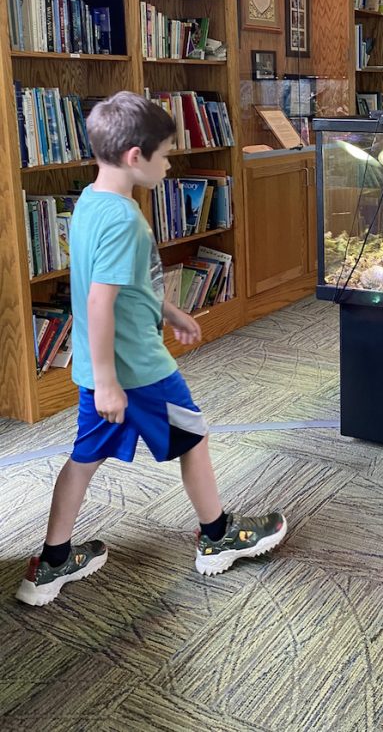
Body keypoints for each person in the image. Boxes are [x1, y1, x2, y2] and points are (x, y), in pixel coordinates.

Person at [17, 92, 285, 606]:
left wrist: (170, 312)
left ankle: (51, 564)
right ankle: (217, 534)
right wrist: (112, 381)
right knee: (194, 438)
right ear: (135, 157)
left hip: (104, 374)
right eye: (165, 155)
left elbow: (123, 285)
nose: (169, 164)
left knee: (83, 458)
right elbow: (99, 303)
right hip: (137, 372)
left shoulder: (90, 204)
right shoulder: (125, 220)